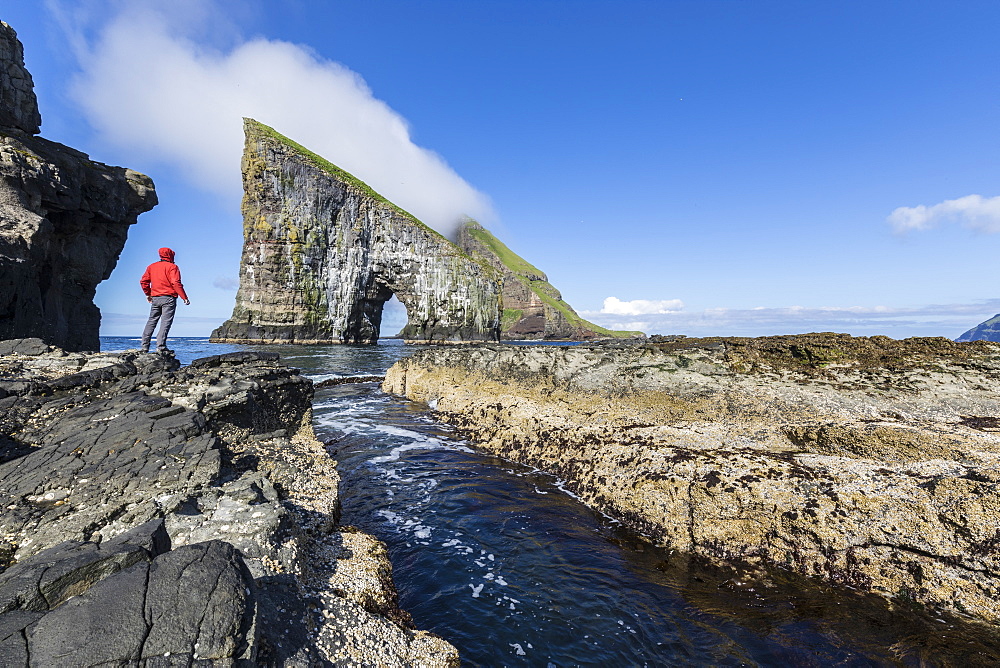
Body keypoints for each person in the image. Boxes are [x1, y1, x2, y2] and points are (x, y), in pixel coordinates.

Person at [139, 247, 190, 353]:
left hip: (155, 298)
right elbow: (175, 283)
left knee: (151, 321)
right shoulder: (173, 267)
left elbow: (143, 281)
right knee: (165, 322)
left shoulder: (151, 267)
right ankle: (161, 347)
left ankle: (144, 347)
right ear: (171, 255)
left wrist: (148, 294)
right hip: (168, 298)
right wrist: (184, 297)